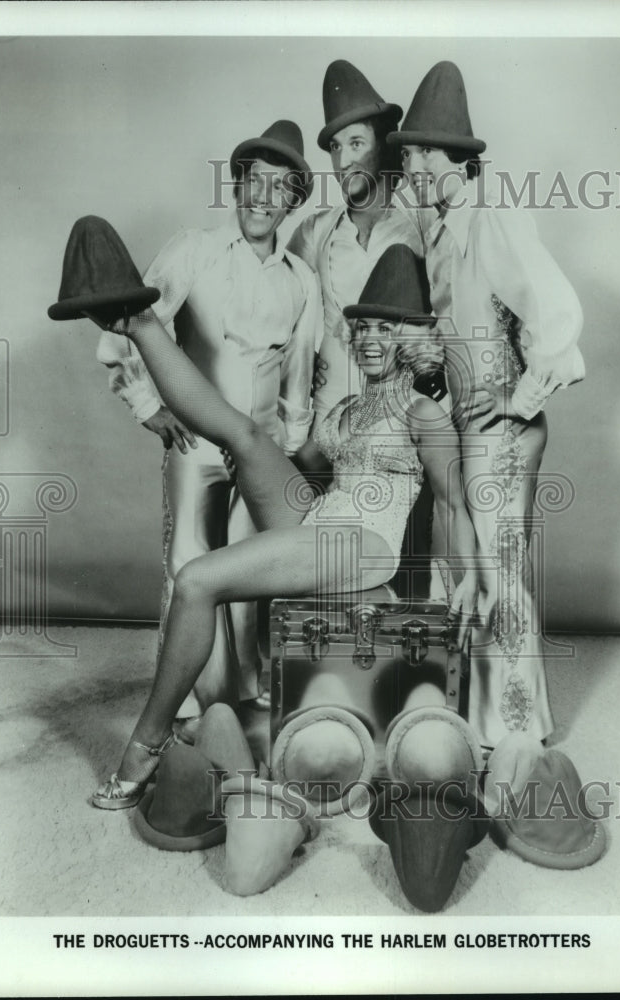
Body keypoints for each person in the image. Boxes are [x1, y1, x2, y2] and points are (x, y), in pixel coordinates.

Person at [87, 243, 480, 809]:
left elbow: (451, 503)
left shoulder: (424, 412)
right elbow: (313, 476)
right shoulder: (349, 409)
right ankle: (141, 323)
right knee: (245, 435)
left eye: (386, 330)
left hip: (367, 544)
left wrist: (463, 578)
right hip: (324, 517)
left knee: (197, 580)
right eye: (363, 326)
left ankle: (147, 741)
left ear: (411, 339)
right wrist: (255, 467)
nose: (370, 339)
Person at [389, 61, 585, 750]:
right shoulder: (441, 230)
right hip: (472, 427)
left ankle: (519, 740)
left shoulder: (493, 216)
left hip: (501, 432)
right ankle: (484, 720)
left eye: (413, 153)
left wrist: (518, 400)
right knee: (470, 563)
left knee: (498, 570)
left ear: (450, 157)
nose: (406, 167)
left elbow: (557, 317)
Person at [95, 121, 322, 715]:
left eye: (279, 187)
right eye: (252, 181)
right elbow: (127, 329)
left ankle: (240, 694)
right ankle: (192, 701)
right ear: (237, 187)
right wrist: (149, 405)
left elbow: (299, 370)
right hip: (195, 441)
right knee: (190, 561)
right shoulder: (192, 248)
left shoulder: (303, 280)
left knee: (250, 567)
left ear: (294, 201)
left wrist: (292, 444)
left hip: (264, 446)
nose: (262, 198)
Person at [288, 59, 436, 599]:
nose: (344, 159)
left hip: (399, 406)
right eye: (335, 148)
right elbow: (290, 323)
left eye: (356, 143)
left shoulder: (421, 222)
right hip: (330, 409)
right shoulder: (313, 232)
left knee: (408, 534)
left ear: (383, 146)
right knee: (324, 536)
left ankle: (411, 658)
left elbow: (442, 311)